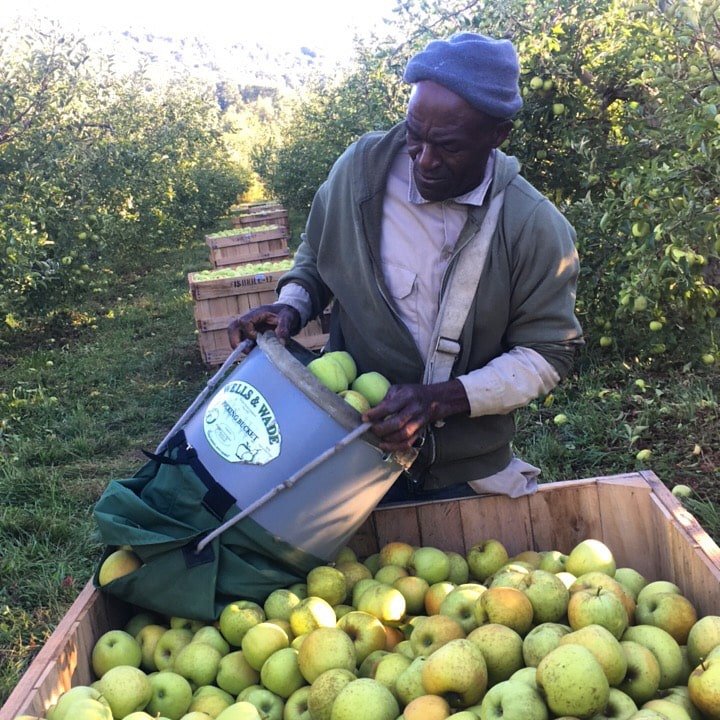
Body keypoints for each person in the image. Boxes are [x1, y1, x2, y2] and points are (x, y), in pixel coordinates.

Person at [229, 33, 584, 502]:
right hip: (347, 444)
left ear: (497, 135)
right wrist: (293, 305)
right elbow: (319, 250)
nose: (425, 160)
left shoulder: (533, 226)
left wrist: (438, 400)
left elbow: (547, 353)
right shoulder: (363, 172)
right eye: (415, 136)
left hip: (461, 468)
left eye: (449, 146)